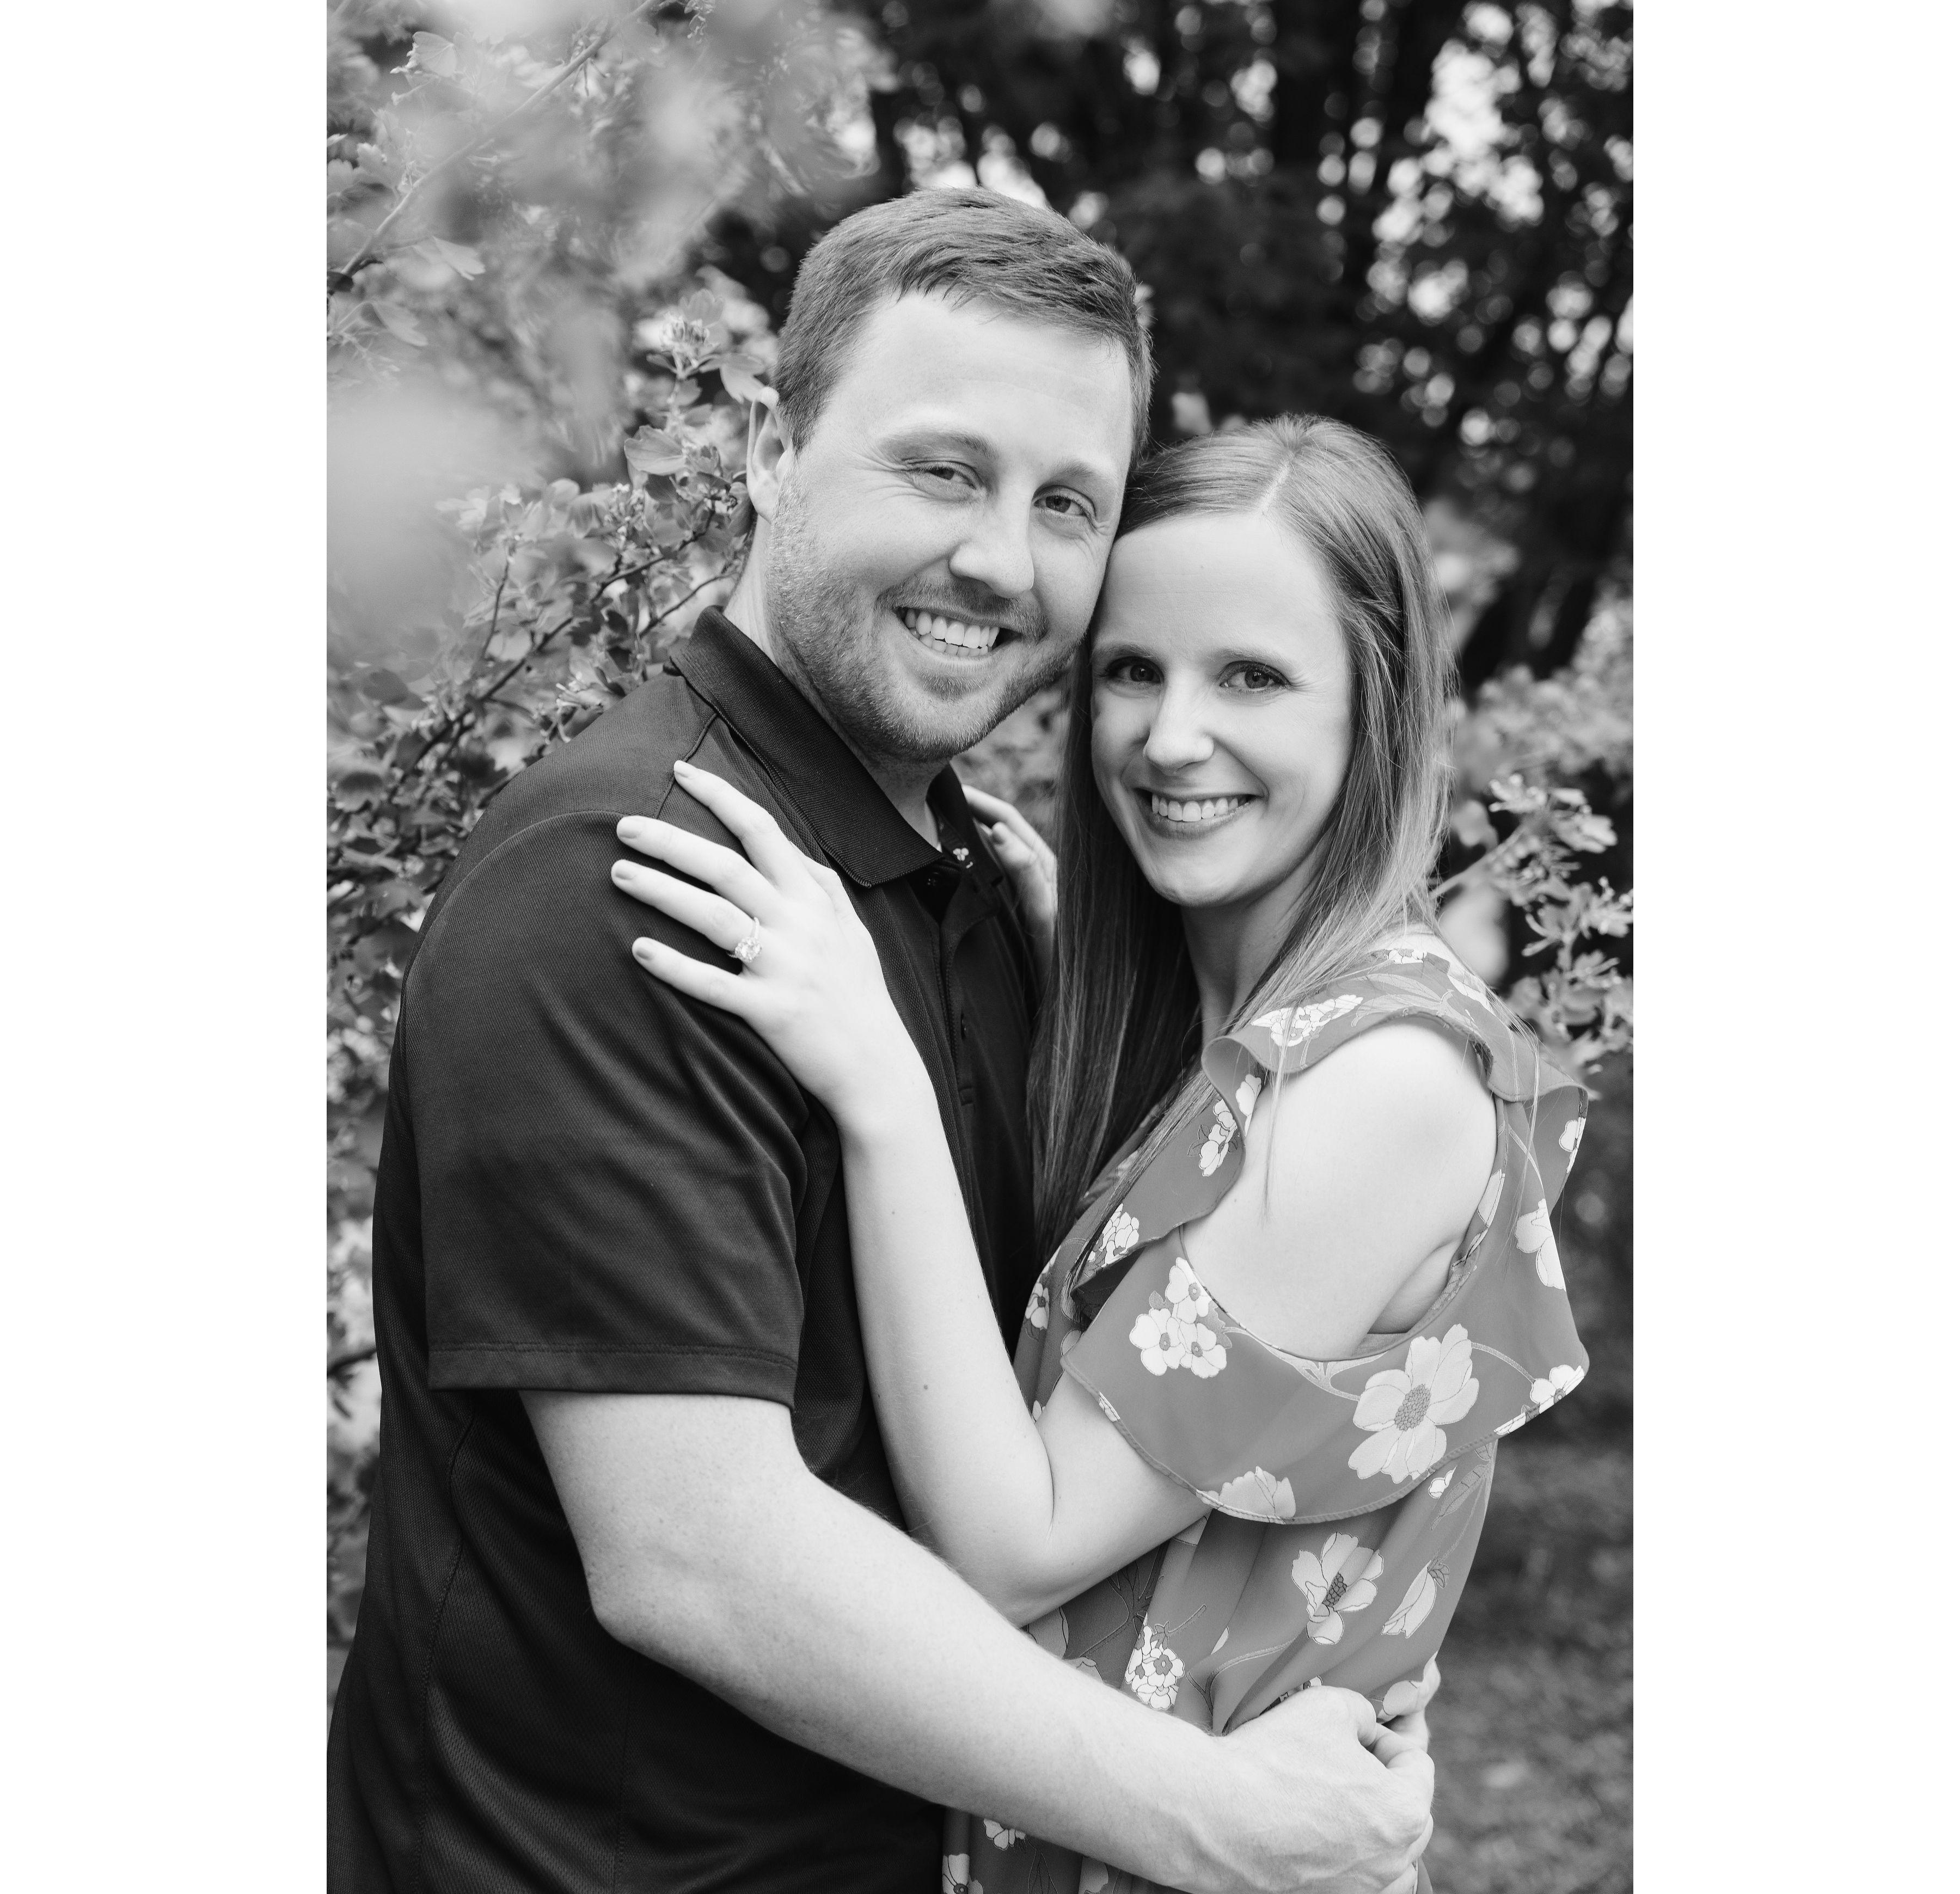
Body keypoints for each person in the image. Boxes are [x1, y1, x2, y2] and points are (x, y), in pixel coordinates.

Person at [328, 190, 1434, 1894]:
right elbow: (701, 1555)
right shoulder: (640, 875)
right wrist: (1216, 1816)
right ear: (773, 452)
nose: (1001, 560)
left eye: (1067, 503)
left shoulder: (972, 889)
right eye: (943, 469)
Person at [611, 415, 1590, 1894]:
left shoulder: (1384, 1083)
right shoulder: (1244, 1043)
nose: (1171, 737)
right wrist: (1077, 966)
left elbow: (1019, 1543)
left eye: (1251, 677)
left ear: (1377, 707)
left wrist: (881, 1075)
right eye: (1134, 670)